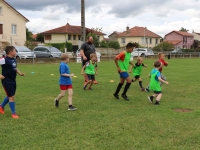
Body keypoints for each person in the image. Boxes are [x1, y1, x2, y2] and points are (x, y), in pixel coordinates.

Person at [0, 46, 25, 119]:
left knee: (10, 95)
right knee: (12, 97)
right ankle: (13, 114)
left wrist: (20, 73)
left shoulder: (14, 59)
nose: (16, 52)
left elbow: (15, 68)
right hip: (6, 81)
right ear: (11, 52)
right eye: (15, 51)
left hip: (13, 80)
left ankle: (1, 106)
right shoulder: (4, 59)